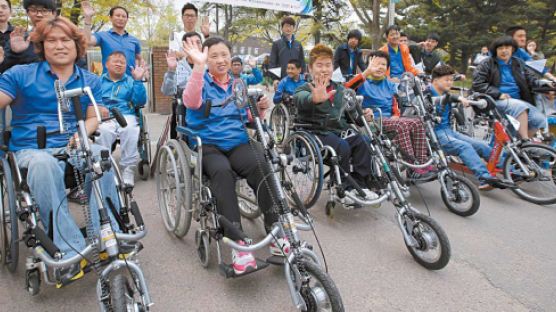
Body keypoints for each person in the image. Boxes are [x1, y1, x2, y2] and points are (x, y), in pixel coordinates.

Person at [0, 16, 121, 277]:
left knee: (100, 155)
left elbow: (92, 117)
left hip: (73, 144)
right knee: (45, 165)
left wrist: (82, 135)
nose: (59, 45)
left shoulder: (90, 80)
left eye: (65, 40)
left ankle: (108, 234)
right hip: (33, 149)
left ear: (77, 46)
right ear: (42, 46)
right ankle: (69, 249)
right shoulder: (20, 75)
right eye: (51, 41)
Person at [182, 36, 285, 275]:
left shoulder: (238, 83)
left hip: (237, 141)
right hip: (208, 144)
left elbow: (248, 118)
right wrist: (198, 66)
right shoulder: (199, 81)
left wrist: (259, 109)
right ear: (206, 59)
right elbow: (191, 101)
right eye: (214, 56)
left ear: (231, 57)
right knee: (222, 172)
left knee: (262, 163)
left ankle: (276, 230)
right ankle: (239, 244)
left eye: (224, 55)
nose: (220, 60)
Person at [295, 43, 379, 205]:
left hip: (339, 131)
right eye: (319, 65)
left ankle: (359, 184)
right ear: (310, 68)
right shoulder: (304, 88)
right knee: (342, 146)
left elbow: (352, 115)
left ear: (333, 67)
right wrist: (314, 99)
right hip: (316, 133)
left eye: (328, 65)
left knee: (364, 142)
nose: (324, 69)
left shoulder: (340, 89)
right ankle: (343, 188)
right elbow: (301, 100)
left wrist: (365, 116)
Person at [346, 50, 435, 180]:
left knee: (418, 122)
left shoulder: (389, 84)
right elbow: (347, 88)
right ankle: (413, 168)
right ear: (369, 66)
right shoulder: (362, 82)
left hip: (389, 119)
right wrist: (366, 72)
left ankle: (421, 163)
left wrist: (396, 114)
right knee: (401, 126)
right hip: (372, 120)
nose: (380, 67)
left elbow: (394, 103)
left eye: (383, 64)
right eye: (376, 64)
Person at [430, 65, 507, 190]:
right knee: (464, 146)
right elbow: (442, 99)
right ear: (435, 80)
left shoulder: (446, 93)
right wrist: (457, 98)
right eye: (447, 79)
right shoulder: (426, 93)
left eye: (451, 80)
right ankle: (484, 178)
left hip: (449, 131)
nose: (450, 82)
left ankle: (510, 169)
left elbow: (451, 98)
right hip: (434, 133)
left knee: (482, 145)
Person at [472, 36, 549, 139]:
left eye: (507, 47)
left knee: (539, 119)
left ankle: (521, 147)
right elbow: (478, 84)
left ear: (512, 49)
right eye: (500, 48)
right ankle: (524, 143)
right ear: (495, 50)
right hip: (494, 100)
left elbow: (531, 79)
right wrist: (498, 94)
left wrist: (546, 85)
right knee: (520, 108)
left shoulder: (518, 63)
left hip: (518, 101)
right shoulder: (486, 63)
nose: (504, 51)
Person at [96, 51, 148, 187]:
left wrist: (138, 81)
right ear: (106, 64)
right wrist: (99, 106)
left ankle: (128, 169)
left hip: (126, 114)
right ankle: (106, 168)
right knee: (103, 131)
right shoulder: (98, 82)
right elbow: (90, 100)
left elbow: (140, 101)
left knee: (130, 129)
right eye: (115, 61)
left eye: (122, 62)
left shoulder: (131, 81)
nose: (119, 64)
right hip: (105, 116)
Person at [82, 2, 143, 75]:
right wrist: (88, 18)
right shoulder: (102, 36)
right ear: (110, 18)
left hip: (131, 82)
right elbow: (87, 41)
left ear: (127, 19)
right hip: (110, 83)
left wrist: (142, 72)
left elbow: (139, 58)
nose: (121, 18)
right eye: (117, 15)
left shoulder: (134, 40)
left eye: (124, 16)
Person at [161, 32, 201, 140]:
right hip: (186, 108)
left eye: (198, 43)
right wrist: (171, 70)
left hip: (207, 106)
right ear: (185, 47)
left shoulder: (208, 66)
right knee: (177, 107)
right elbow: (167, 91)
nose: (195, 46)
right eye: (191, 43)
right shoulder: (177, 66)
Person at [0, 0, 55, 73]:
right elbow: (5, 70)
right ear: (27, 12)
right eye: (33, 10)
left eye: (44, 10)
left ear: (53, 13)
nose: (39, 14)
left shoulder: (66, 38)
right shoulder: (18, 40)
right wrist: (15, 53)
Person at [270, 16, 305, 87]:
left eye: (291, 26)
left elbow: (302, 62)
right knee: (282, 98)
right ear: (282, 28)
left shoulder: (298, 44)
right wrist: (275, 79)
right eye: (286, 26)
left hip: (297, 80)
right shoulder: (277, 44)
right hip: (282, 80)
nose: (288, 28)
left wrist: (303, 76)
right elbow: (272, 62)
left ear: (293, 28)